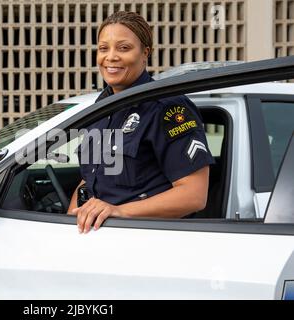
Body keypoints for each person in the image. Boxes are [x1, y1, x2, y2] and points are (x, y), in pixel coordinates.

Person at [67, 11, 215, 233]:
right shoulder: (100, 108)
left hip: (144, 240)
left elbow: (194, 195)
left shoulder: (168, 108)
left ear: (145, 53)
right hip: (99, 239)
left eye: (124, 48)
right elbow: (90, 178)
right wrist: (70, 220)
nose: (111, 57)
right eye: (103, 48)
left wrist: (119, 211)